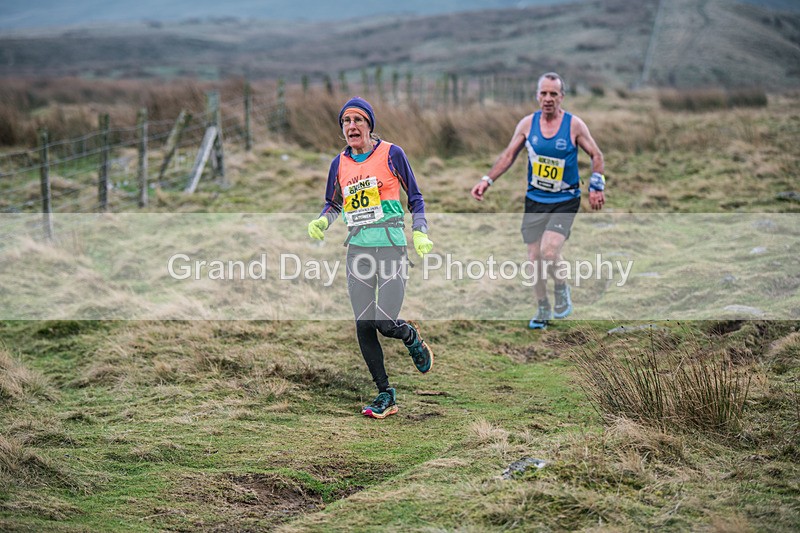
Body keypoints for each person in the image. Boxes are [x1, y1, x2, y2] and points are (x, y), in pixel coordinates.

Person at [307, 96, 435, 419]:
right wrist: (323, 221)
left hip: (391, 248)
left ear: (369, 125)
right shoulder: (339, 164)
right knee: (364, 323)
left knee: (384, 322)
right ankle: (385, 393)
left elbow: (416, 198)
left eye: (358, 120)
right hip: (358, 251)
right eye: (346, 121)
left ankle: (409, 335)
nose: (352, 126)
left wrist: (420, 231)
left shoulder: (392, 154)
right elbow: (333, 203)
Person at [470, 72, 606, 329]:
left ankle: (561, 288)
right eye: (543, 93)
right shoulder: (527, 124)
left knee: (549, 251)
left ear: (561, 97)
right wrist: (487, 180)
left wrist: (596, 187)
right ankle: (543, 306)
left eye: (553, 94)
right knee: (534, 258)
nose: (548, 98)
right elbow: (508, 155)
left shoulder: (574, 125)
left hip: (565, 199)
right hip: (535, 199)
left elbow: (596, 155)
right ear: (537, 96)